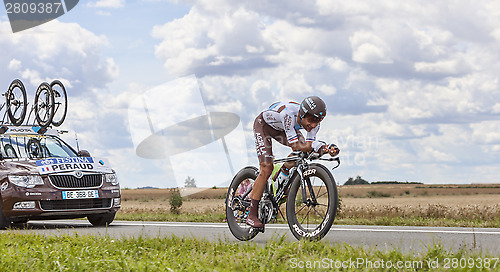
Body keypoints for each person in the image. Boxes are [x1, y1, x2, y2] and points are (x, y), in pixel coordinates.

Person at [248, 96, 339, 229]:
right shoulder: (289, 114)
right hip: (264, 126)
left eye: (318, 120)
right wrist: (318, 146)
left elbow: (309, 148)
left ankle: (282, 174)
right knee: (267, 167)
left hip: (282, 129)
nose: (314, 125)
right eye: (312, 120)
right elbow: (297, 145)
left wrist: (325, 149)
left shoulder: (314, 123)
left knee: (304, 153)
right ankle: (251, 214)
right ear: (302, 114)